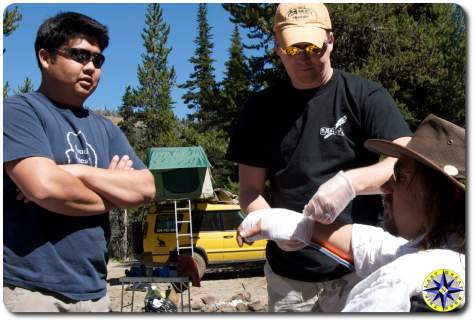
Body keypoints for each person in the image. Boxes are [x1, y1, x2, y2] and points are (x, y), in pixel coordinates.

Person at [225, 2, 412, 312]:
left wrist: (349, 183)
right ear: (277, 47)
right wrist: (273, 224)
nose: (305, 57)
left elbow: (408, 160)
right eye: (293, 48)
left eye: (314, 45)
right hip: (290, 280)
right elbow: (249, 190)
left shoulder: (364, 95)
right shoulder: (259, 110)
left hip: (358, 272)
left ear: (331, 40)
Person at [3, 12, 156, 312]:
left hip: (96, 293)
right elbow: (45, 188)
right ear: (45, 57)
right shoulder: (18, 111)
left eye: (97, 60)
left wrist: (74, 171)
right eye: (79, 55)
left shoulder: (107, 129)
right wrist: (114, 194)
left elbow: (146, 188)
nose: (91, 67)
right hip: (31, 292)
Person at [238, 114, 465, 312]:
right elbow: (376, 247)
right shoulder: (448, 253)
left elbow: (402, 266)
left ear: (445, 195)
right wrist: (291, 224)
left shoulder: (399, 283)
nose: (386, 187)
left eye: (402, 177)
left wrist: (349, 183)